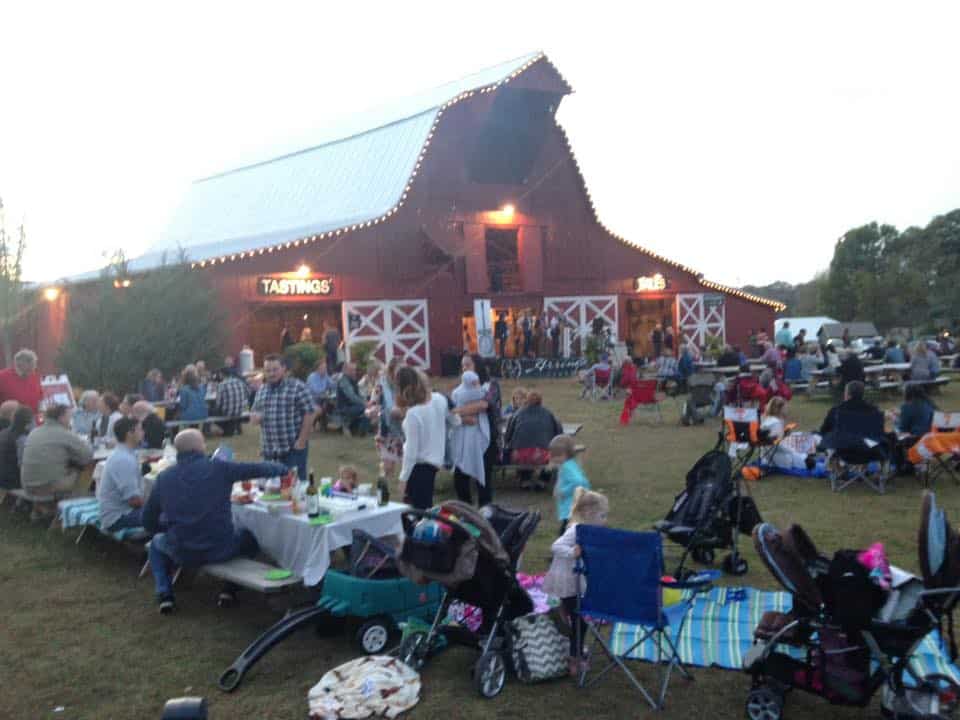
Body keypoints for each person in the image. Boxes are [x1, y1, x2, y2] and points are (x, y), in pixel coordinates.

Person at [142, 429, 287, 614]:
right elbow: (259, 468)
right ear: (199, 447)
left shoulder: (164, 478)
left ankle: (164, 593)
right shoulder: (219, 468)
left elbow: (148, 521)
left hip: (182, 549)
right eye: (203, 443)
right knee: (249, 537)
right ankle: (229, 589)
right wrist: (282, 469)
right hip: (220, 548)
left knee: (156, 543)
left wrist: (168, 529)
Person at [542, 487, 609, 678]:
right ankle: (574, 658)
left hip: (575, 578)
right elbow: (555, 546)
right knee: (580, 621)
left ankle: (563, 614)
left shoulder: (588, 530)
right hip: (567, 579)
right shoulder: (576, 530)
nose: (605, 520)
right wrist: (573, 552)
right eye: (602, 515)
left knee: (575, 615)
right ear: (588, 514)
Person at [251, 354, 316, 482]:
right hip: (269, 451)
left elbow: (310, 413)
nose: (271, 373)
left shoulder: (297, 387)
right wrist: (255, 417)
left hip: (292, 449)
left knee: (295, 488)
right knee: (271, 489)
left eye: (275, 369)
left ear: (284, 368)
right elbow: (254, 413)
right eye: (268, 370)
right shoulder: (262, 390)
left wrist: (302, 441)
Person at [21, 404, 93, 514]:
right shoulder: (64, 433)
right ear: (61, 417)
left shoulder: (35, 431)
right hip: (47, 487)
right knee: (85, 469)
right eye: (69, 416)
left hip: (27, 484)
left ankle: (44, 509)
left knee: (62, 468)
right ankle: (76, 509)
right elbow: (87, 455)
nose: (71, 419)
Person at [396, 367, 448, 509]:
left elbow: (411, 451)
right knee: (425, 506)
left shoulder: (414, 413)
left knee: (418, 510)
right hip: (434, 462)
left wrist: (403, 479)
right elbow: (452, 419)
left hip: (419, 467)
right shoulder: (439, 399)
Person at [505, 391, 562, 490]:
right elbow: (558, 434)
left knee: (522, 448)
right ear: (541, 401)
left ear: (527, 400)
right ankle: (543, 481)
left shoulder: (517, 414)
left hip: (519, 456)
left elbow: (508, 436)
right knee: (555, 456)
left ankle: (525, 480)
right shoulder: (548, 413)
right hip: (542, 455)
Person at [97, 417, 146, 532]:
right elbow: (133, 500)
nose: (143, 432)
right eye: (140, 429)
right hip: (118, 518)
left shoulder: (124, 454)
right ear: (130, 433)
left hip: (119, 512)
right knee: (169, 516)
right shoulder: (123, 460)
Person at [450, 370, 491, 507]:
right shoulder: (458, 393)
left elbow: (484, 405)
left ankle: (484, 506)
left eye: (477, 382)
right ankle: (465, 504)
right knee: (461, 470)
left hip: (477, 437)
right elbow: (451, 413)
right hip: (462, 435)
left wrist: (459, 411)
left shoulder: (486, 390)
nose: (476, 385)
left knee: (481, 469)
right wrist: (463, 417)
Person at [549, 434, 590, 535]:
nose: (554, 458)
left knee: (565, 533)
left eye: (557, 456)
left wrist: (563, 492)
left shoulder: (567, 467)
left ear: (566, 455)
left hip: (570, 508)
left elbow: (579, 481)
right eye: (552, 455)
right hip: (572, 507)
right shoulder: (569, 464)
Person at [819, 380, 883, 444]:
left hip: (842, 449)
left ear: (847, 394)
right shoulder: (874, 410)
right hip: (866, 449)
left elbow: (823, 432)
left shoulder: (836, 411)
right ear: (862, 394)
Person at [374, 358, 404, 484]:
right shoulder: (382, 384)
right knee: (388, 465)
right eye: (399, 370)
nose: (402, 373)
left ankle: (404, 485)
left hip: (403, 427)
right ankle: (385, 486)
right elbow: (375, 401)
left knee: (407, 462)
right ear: (391, 371)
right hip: (387, 427)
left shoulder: (406, 382)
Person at [0, 405, 33, 491]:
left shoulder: (3, 433)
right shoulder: (22, 440)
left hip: (3, 480)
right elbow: (24, 467)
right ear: (28, 424)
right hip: (14, 483)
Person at [0, 348, 42, 415]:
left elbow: (40, 396)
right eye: (30, 368)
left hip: (32, 418)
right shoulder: (2, 377)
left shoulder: (35, 377)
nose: (33, 370)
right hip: (11, 420)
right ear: (19, 365)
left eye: (34, 367)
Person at [336, 362, 371, 436]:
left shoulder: (352, 379)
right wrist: (364, 403)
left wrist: (366, 401)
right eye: (351, 370)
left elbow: (358, 394)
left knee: (369, 409)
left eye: (354, 370)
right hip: (345, 408)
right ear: (345, 370)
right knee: (367, 409)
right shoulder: (343, 380)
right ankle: (360, 430)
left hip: (352, 406)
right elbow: (352, 396)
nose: (354, 372)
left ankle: (360, 429)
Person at [214, 365, 248, 437]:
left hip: (228, 412)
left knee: (211, 411)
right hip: (240, 410)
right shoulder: (240, 382)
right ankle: (235, 428)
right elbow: (247, 393)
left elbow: (218, 404)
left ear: (222, 374)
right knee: (229, 409)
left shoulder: (222, 385)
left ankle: (226, 429)